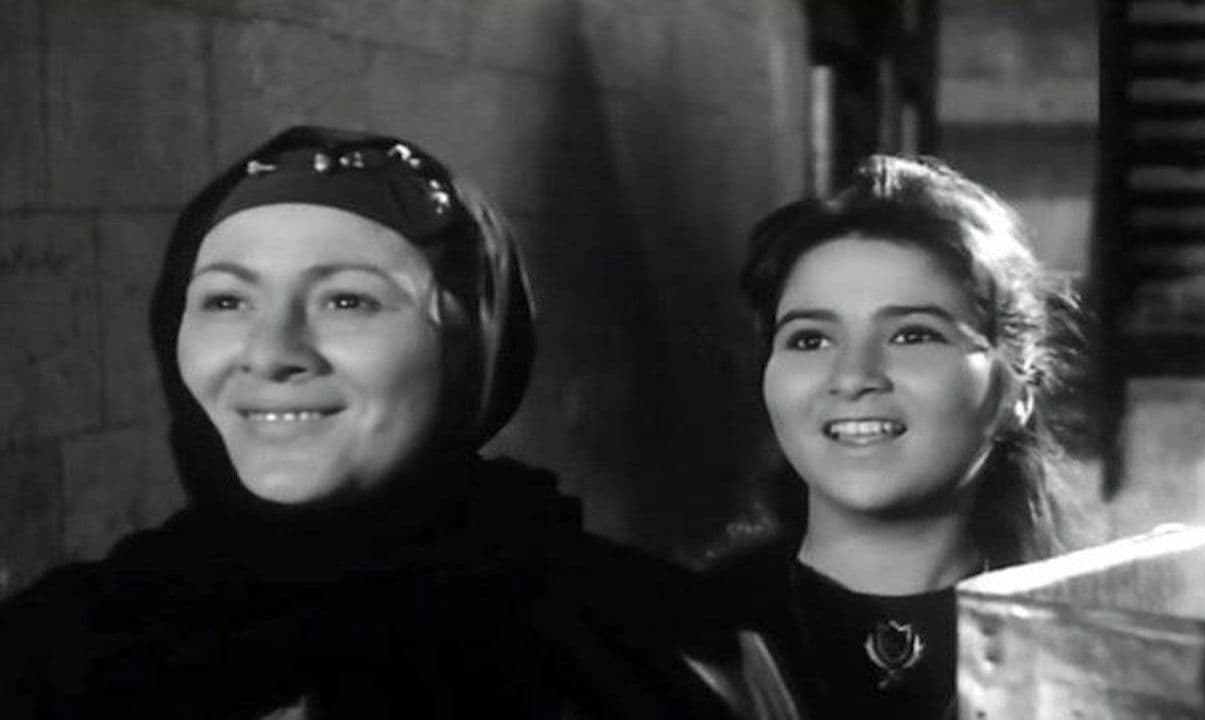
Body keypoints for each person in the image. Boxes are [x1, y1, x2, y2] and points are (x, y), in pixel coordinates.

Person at [0, 126, 740, 719]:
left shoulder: (644, 647)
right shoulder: (62, 652)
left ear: (471, 348)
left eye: (347, 301)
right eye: (227, 301)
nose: (272, 352)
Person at [712, 155, 1093, 719]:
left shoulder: (1103, 647)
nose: (853, 377)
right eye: (810, 340)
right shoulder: (680, 636)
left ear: (1016, 391)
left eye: (913, 335)